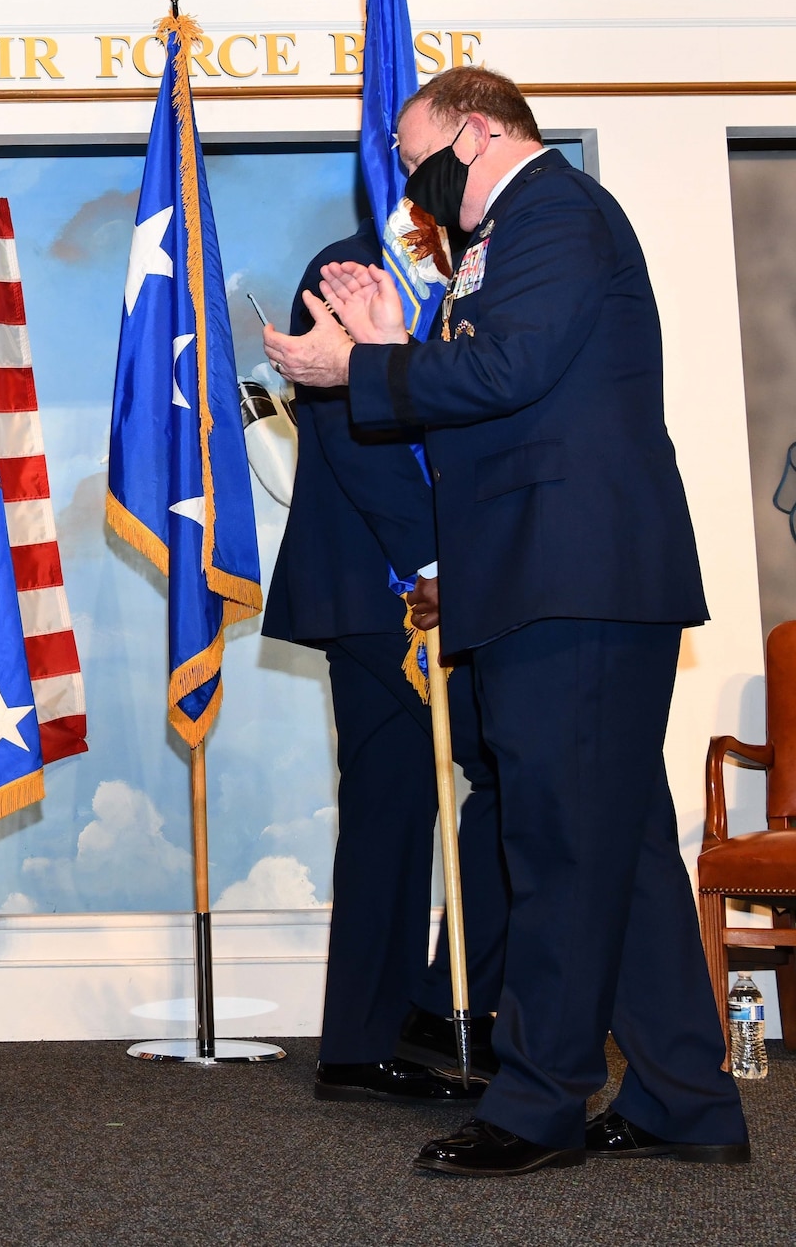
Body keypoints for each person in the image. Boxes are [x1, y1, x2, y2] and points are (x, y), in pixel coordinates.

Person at [263, 67, 749, 1176]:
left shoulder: (553, 212)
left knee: (558, 850)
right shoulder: (509, 236)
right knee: (614, 848)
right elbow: (500, 378)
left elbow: (506, 367)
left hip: (569, 577)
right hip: (550, 577)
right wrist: (396, 335)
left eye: (412, 149)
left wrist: (358, 364)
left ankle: (539, 1102)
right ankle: (684, 1098)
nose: (406, 174)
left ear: (475, 133)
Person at [263, 222, 509, 1107]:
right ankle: (413, 1019)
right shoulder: (345, 270)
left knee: (424, 796)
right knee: (430, 794)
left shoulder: (481, 267)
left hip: (457, 581)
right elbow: (350, 435)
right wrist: (436, 565)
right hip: (387, 588)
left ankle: (408, 1016)